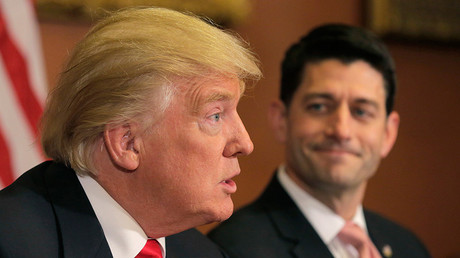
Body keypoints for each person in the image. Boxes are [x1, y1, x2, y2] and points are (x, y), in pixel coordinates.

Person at [0, 7, 261, 258]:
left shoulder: (203, 253)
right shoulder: (11, 243)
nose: (245, 143)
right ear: (127, 142)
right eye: (215, 116)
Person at [209, 24, 430, 257]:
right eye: (319, 107)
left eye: (361, 112)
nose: (341, 131)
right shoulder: (233, 249)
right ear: (281, 120)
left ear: (388, 133)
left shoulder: (409, 247)